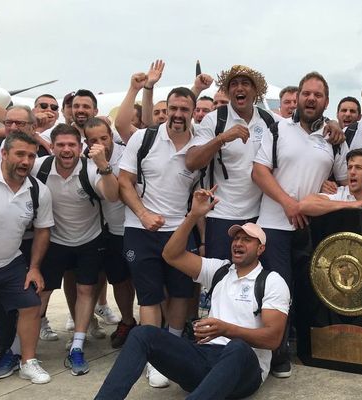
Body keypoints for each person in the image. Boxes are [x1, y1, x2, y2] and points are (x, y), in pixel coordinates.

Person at [94, 187, 290, 400]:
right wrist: (194, 215)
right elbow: (171, 255)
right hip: (205, 358)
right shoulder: (219, 270)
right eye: (236, 239)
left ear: (260, 249)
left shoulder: (272, 281)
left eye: (247, 240)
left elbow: (272, 339)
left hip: (245, 368)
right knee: (142, 334)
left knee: (238, 348)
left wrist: (226, 330)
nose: (238, 243)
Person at [252, 71, 348, 377]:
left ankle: (309, 347)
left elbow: (347, 180)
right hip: (275, 225)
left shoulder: (333, 140)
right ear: (300, 96)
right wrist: (288, 203)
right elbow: (259, 172)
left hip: (313, 227)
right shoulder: (277, 129)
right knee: (278, 290)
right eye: (307, 93)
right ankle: (277, 353)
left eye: (318, 95)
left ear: (326, 101)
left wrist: (331, 183)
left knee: (310, 289)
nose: (311, 99)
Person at [118, 86, 200, 387]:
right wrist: (143, 214)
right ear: (167, 109)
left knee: (180, 293)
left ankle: (172, 351)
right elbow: (124, 182)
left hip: (180, 229)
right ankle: (154, 359)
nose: (178, 115)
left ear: (193, 113)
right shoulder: (144, 137)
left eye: (185, 110)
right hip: (141, 230)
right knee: (150, 295)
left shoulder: (199, 144)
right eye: (174, 108)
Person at [32, 123, 119, 376]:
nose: (66, 149)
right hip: (54, 239)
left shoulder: (91, 169)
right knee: (40, 294)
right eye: (61, 144)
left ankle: (78, 346)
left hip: (89, 240)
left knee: (85, 290)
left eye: (72, 145)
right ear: (52, 147)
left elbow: (112, 195)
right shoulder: (41, 166)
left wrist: (104, 166)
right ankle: (21, 350)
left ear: (80, 148)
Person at [186, 65, 273, 260]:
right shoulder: (213, 119)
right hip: (221, 216)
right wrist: (221, 138)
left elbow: (298, 126)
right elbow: (191, 162)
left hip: (259, 216)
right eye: (233, 84)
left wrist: (331, 125)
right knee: (220, 280)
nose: (239, 88)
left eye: (245, 83)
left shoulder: (269, 121)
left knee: (253, 281)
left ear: (256, 91)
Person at [0, 132, 54, 384]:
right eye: (20, 154)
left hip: (10, 262)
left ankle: (28, 361)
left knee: (31, 303)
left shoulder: (38, 190)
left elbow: (42, 230)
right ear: (4, 154)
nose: (26, 161)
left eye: (31, 155)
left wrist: (35, 268)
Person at [83, 118, 137, 348]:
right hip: (114, 231)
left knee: (146, 280)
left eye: (104, 138)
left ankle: (156, 324)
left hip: (139, 227)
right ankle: (127, 321)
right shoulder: (89, 163)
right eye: (93, 140)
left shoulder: (128, 152)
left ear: (111, 135)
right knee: (120, 280)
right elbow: (113, 194)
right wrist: (103, 164)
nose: (100, 143)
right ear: (87, 142)